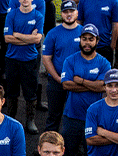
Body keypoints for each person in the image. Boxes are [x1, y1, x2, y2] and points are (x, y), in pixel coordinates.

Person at [57, 24, 110, 156]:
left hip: (95, 118)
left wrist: (80, 80)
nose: (87, 43)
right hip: (72, 116)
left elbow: (102, 87)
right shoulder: (70, 60)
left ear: (97, 41)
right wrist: (93, 85)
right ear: (80, 40)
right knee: (67, 154)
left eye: (91, 39)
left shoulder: (104, 63)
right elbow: (66, 85)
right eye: (84, 39)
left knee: (93, 155)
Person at [0, 0, 45, 133]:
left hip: (30, 60)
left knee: (30, 91)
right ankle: (11, 119)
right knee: (11, 91)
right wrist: (29, 38)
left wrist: (17, 35)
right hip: (12, 59)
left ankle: (30, 120)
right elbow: (7, 38)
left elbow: (37, 39)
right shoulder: (11, 15)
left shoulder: (38, 16)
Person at [39, 2, 83, 135]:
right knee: (53, 116)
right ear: (61, 14)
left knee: (76, 117)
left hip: (77, 83)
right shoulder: (53, 33)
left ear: (77, 13)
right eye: (65, 12)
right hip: (56, 82)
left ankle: (75, 144)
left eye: (71, 11)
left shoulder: (84, 33)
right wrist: (58, 78)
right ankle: (48, 142)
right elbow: (46, 59)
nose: (69, 14)